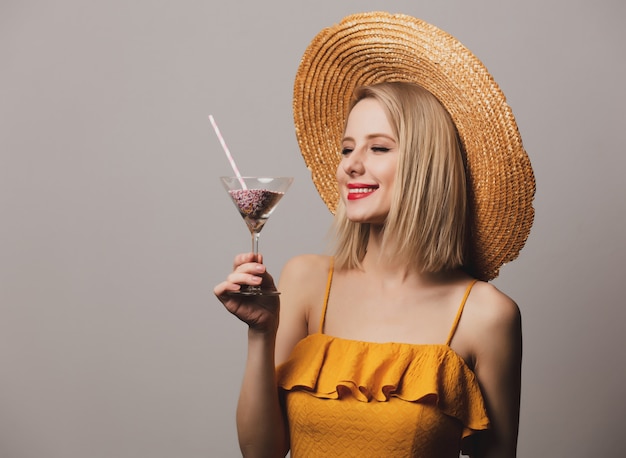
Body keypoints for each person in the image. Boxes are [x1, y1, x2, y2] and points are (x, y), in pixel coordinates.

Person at [214, 11, 535, 458]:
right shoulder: (305, 281)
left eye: (378, 148)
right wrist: (260, 334)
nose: (350, 164)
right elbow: (260, 452)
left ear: (428, 167)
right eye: (347, 148)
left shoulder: (487, 315)